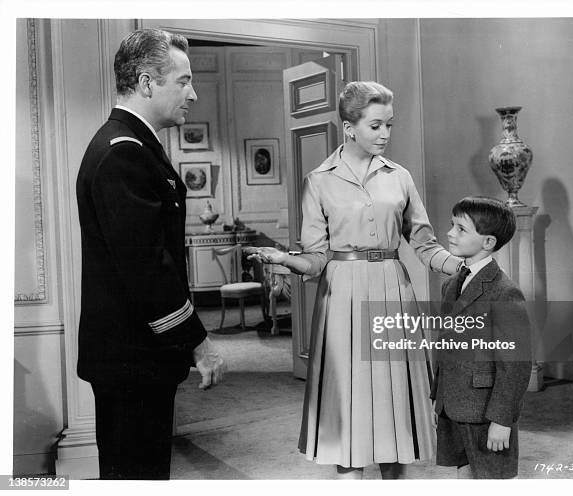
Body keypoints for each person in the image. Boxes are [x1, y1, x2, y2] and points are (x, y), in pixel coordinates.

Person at [248, 81, 462, 479]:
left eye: (390, 125)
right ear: (350, 127)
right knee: (348, 401)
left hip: (392, 291)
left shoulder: (400, 177)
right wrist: (286, 260)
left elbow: (426, 244)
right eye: (376, 125)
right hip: (342, 295)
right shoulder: (319, 179)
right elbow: (315, 258)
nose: (385, 134)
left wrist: (463, 266)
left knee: (393, 401)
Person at [76, 28, 224, 480]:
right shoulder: (124, 153)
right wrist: (199, 342)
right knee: (137, 475)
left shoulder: (131, 145)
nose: (193, 93)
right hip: (134, 358)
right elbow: (148, 271)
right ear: (145, 83)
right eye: (183, 81)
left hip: (133, 356)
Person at [430, 196, 532, 479]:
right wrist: (436, 396)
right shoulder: (451, 284)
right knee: (465, 474)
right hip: (453, 404)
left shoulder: (504, 292)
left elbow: (516, 364)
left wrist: (502, 420)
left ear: (488, 242)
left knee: (490, 477)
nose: (450, 233)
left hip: (485, 410)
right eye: (452, 225)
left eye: (461, 229)